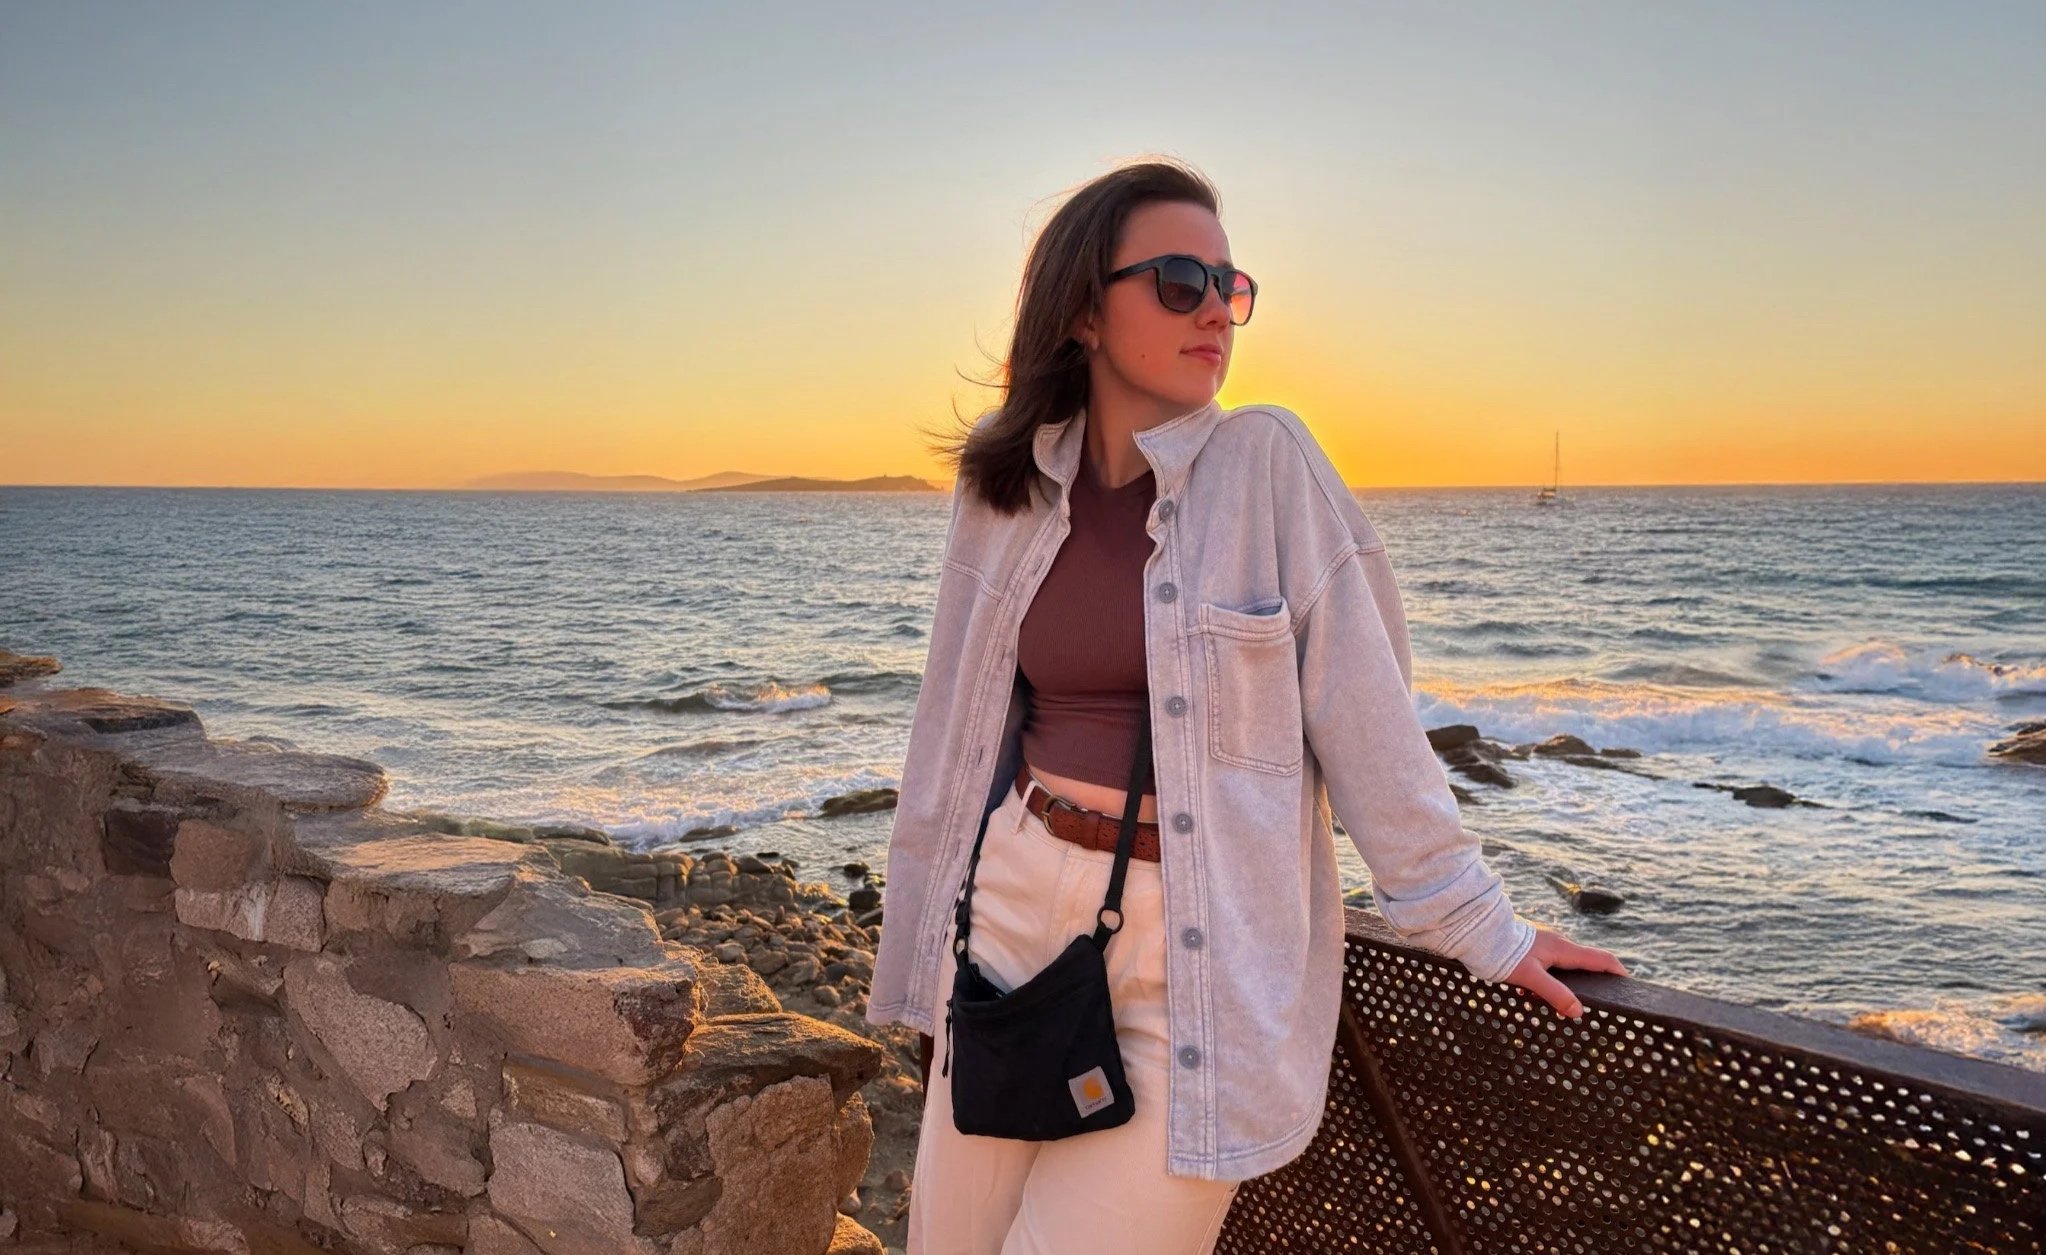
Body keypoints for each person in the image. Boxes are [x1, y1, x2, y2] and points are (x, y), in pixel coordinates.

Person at [863, 157, 1627, 1255]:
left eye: (1232, 285)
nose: (1218, 309)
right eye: (1180, 280)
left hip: (1199, 952)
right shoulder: (1007, 489)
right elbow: (954, 729)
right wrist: (931, 945)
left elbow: (1372, 724)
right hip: (1014, 908)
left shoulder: (1269, 463)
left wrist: (1481, 926)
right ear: (1083, 307)